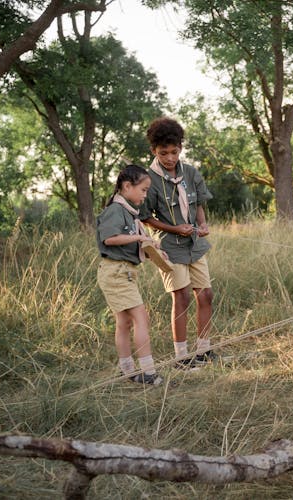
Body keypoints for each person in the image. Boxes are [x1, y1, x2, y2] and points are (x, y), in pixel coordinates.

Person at [140, 117, 219, 370]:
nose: (170, 158)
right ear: (154, 151)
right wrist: (174, 228)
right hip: (169, 245)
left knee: (206, 294)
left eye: (174, 152)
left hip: (194, 244)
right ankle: (181, 357)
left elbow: (198, 205)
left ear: (180, 148)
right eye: (163, 153)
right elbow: (145, 217)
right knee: (182, 297)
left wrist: (202, 224)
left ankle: (204, 350)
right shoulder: (149, 179)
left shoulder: (191, 173)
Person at [96, 164, 163, 385]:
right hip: (115, 272)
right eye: (143, 190)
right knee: (141, 317)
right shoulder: (116, 210)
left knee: (124, 322)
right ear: (127, 186)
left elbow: (134, 242)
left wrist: (152, 247)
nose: (145, 195)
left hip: (124, 271)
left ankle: (127, 370)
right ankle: (148, 371)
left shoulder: (128, 211)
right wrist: (138, 239)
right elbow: (110, 239)